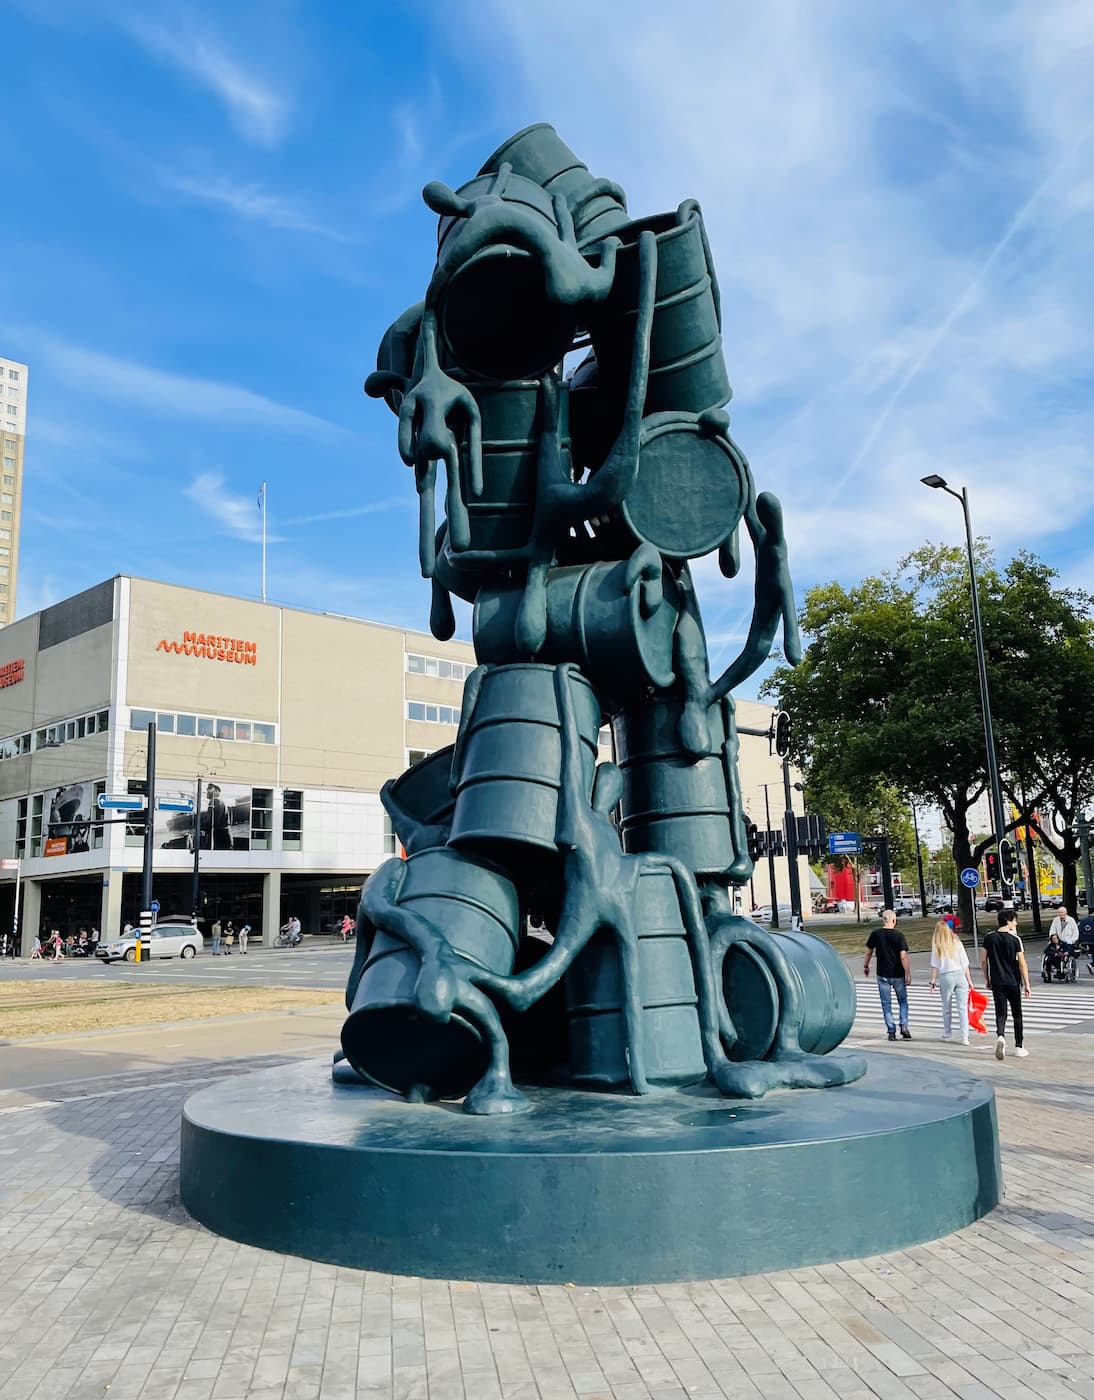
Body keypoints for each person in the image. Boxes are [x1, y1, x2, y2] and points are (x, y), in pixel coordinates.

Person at [981, 909, 1031, 1060]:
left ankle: (1001, 1036)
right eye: (1014, 920)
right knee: (1017, 1013)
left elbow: (983, 961)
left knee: (1000, 1012)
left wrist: (987, 978)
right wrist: (1027, 984)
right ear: (1009, 921)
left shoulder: (989, 938)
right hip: (1013, 981)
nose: (1016, 923)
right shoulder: (1015, 940)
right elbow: (1022, 964)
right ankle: (1019, 1046)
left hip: (997, 981)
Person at [863, 909, 912, 1041]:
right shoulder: (899, 936)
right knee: (902, 1001)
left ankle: (891, 1030)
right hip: (898, 974)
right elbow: (903, 957)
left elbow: (868, 952)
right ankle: (904, 1026)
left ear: (882, 920)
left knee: (886, 1003)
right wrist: (907, 973)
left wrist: (866, 966)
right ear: (894, 920)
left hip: (882, 974)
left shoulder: (876, 934)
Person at [928, 919, 973, 1044]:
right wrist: (969, 981)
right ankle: (965, 1037)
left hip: (946, 976)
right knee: (962, 1008)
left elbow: (935, 965)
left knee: (947, 1007)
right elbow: (965, 964)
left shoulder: (937, 945)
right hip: (960, 975)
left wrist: (932, 981)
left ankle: (947, 1034)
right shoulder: (957, 943)